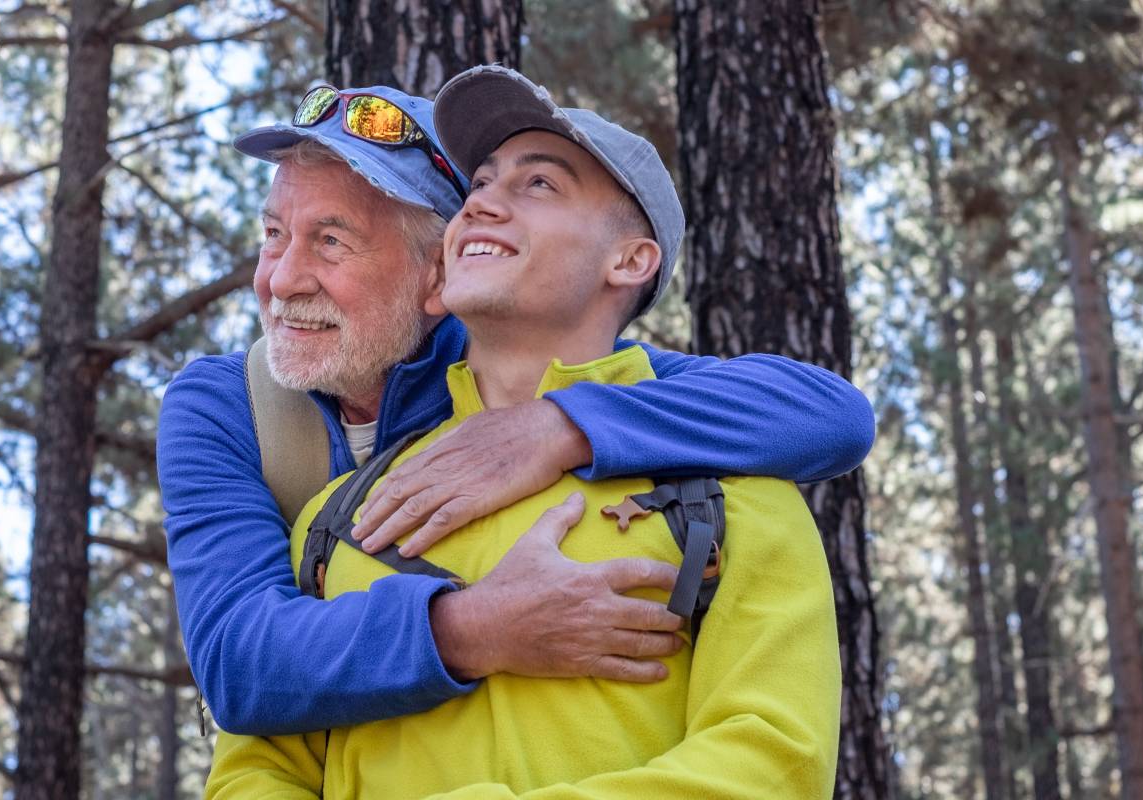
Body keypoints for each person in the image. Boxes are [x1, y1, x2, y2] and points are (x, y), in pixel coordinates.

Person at [157, 80, 871, 737]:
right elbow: (238, 660)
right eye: (274, 235)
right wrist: (477, 629)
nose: (280, 280)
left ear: (439, 270)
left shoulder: (505, 361)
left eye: (331, 242)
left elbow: (828, 413)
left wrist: (559, 425)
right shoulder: (226, 405)